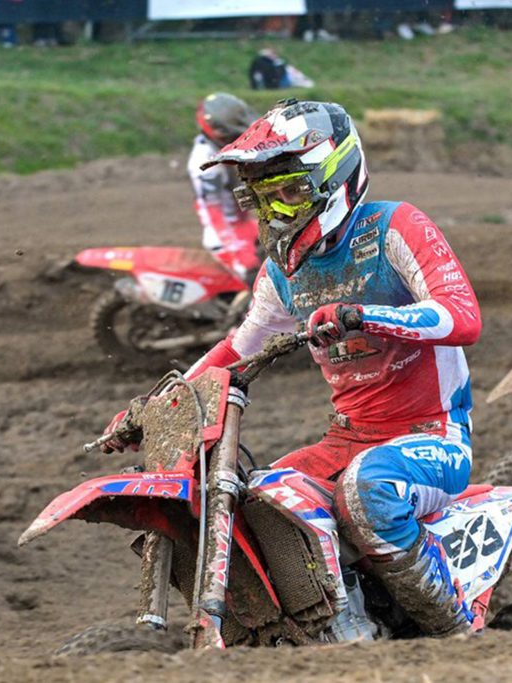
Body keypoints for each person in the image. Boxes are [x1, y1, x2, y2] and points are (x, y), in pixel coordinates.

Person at [104, 98, 482, 637]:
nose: (277, 213)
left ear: (334, 178)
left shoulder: (395, 226)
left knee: (368, 492)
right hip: (346, 437)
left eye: (290, 193)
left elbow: (462, 316)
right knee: (261, 504)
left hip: (432, 436)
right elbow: (237, 350)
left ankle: (456, 633)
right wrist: (152, 408)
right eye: (263, 199)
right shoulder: (282, 274)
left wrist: (364, 316)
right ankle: (328, 628)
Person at [186, 93, 261, 281]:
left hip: (244, 225)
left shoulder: (220, 148)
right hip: (226, 235)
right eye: (235, 134)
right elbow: (212, 213)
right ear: (218, 132)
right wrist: (240, 254)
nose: (241, 137)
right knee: (257, 280)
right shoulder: (205, 163)